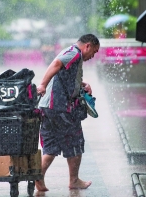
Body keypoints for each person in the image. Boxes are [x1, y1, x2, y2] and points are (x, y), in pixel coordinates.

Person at [35, 34, 100, 191]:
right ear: (88, 46)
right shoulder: (74, 53)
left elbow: (64, 75)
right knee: (75, 141)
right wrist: (42, 84)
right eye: (94, 52)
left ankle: (38, 177)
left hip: (48, 107)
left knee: (51, 146)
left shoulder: (71, 53)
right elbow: (57, 63)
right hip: (59, 107)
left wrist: (82, 85)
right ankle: (74, 180)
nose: (93, 56)